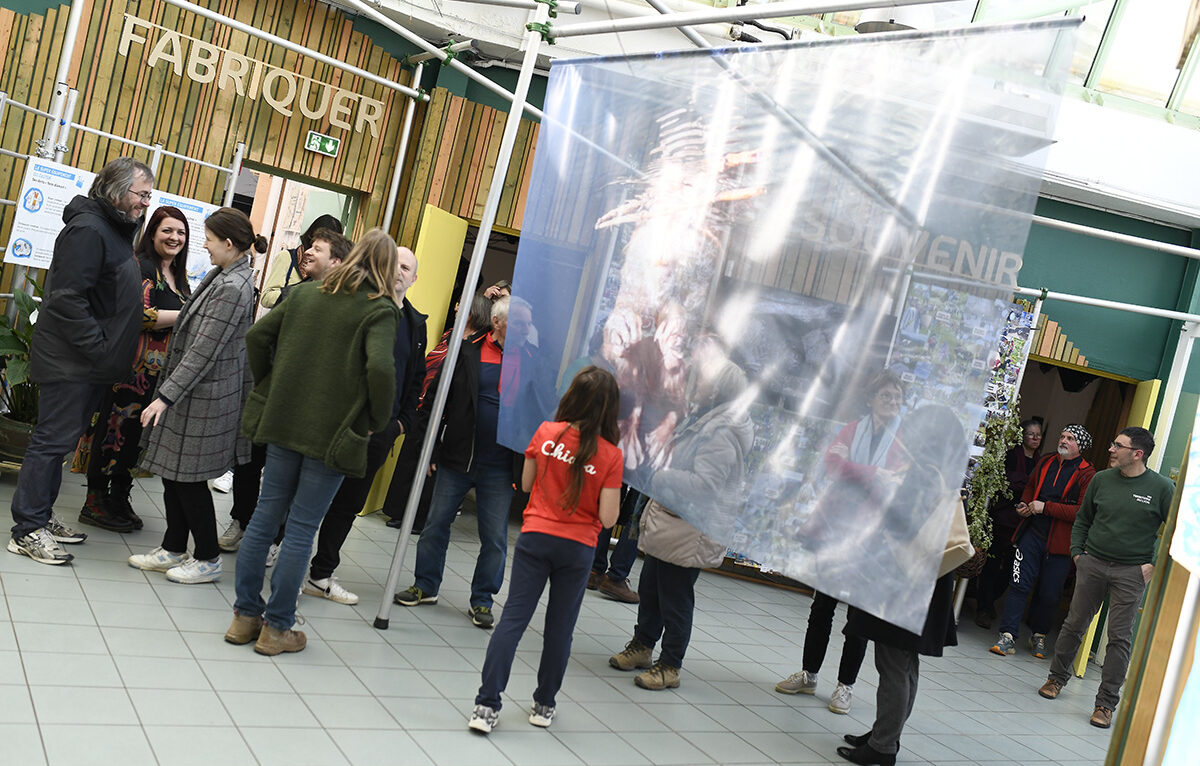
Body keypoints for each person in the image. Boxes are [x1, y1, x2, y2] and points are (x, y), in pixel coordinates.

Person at [226, 228, 400, 655]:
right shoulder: (379, 311)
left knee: (264, 518)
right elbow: (380, 368)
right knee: (302, 528)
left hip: (284, 420)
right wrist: (377, 417)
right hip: (333, 433)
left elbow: (256, 338)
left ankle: (245, 616)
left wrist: (273, 382)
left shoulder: (304, 295)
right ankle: (277, 628)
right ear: (389, 269)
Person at [7, 157, 152, 565]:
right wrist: (101, 347)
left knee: (61, 443)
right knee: (51, 442)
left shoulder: (112, 229)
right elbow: (67, 299)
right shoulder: (89, 230)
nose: (146, 202)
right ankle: (27, 530)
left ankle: (40, 514)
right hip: (73, 361)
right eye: (142, 194)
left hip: (87, 363)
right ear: (117, 191)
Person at [468, 366, 623, 734]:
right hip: (578, 548)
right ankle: (543, 704)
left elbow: (524, 484)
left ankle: (486, 707)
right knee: (559, 630)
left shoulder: (546, 432)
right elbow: (608, 515)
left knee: (513, 621)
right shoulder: (611, 455)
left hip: (536, 537)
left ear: (572, 397)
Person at [131, 208, 261, 583]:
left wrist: (164, 397)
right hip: (192, 393)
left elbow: (204, 350)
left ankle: (207, 557)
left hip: (205, 398)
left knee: (188, 478)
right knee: (173, 474)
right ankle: (173, 547)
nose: (202, 244)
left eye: (208, 238)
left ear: (229, 243)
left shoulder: (234, 287)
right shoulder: (224, 276)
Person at [609, 354, 752, 691]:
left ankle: (670, 665)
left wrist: (661, 476)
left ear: (717, 390)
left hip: (689, 528)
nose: (695, 383)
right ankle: (642, 647)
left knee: (674, 599)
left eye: (702, 380)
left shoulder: (722, 431)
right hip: (672, 522)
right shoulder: (704, 419)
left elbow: (705, 485)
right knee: (650, 589)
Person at [837, 405, 966, 766]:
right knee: (905, 665)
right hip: (923, 583)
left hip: (900, 583)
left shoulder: (922, 474)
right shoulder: (941, 470)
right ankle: (885, 733)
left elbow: (901, 526)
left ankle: (882, 748)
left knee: (893, 665)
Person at [301, 245, 426, 606]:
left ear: (414, 278)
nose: (399, 271)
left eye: (407, 267)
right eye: (395, 264)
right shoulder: (362, 307)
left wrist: (400, 423)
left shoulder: (416, 325)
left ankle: (321, 572)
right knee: (311, 495)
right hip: (339, 424)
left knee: (348, 504)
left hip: (380, 433)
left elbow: (415, 380)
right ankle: (285, 553)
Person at [217, 227, 353, 558]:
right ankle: (242, 521)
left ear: (337, 261)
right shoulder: (295, 294)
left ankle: (275, 539)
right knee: (249, 462)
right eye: (309, 247)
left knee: (289, 480)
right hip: (273, 398)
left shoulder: (352, 308)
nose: (306, 253)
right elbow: (259, 338)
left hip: (309, 411)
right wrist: (267, 380)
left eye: (316, 249)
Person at [777, 371, 907, 714]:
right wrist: (874, 474)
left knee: (859, 619)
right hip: (834, 529)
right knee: (822, 606)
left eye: (897, 397)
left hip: (871, 537)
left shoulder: (902, 441)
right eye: (886, 396)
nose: (893, 402)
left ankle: (845, 686)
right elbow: (833, 465)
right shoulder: (853, 428)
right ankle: (809, 674)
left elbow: (894, 484)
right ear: (871, 399)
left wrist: (861, 472)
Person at [1036, 427, 1173, 729]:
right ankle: (1055, 679)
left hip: (1131, 572)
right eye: (1112, 443)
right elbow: (1083, 518)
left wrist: (1153, 564)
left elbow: (1174, 531)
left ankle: (1105, 704)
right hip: (1092, 563)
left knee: (1119, 638)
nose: (1111, 449)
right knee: (1073, 625)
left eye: (1118, 446)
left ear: (1137, 454)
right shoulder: (1101, 480)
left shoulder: (1161, 487)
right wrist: (1077, 554)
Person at [395, 297, 519, 629]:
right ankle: (425, 585)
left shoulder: (531, 361)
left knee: (494, 538)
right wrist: (431, 449)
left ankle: (482, 601)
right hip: (456, 457)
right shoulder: (466, 351)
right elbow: (437, 400)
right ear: (497, 323)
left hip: (501, 467)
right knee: (435, 524)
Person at [76, 205, 190, 533]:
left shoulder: (179, 278)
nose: (174, 237)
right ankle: (95, 500)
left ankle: (119, 497)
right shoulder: (141, 267)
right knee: (113, 432)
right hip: (129, 369)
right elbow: (137, 314)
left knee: (135, 439)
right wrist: (184, 316)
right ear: (152, 232)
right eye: (167, 230)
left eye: (181, 232)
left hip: (158, 377)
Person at [382, 294, 494, 532]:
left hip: (448, 416)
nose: (456, 308)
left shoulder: (477, 345)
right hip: (424, 407)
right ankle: (400, 512)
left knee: (431, 470)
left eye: (461, 305)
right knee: (410, 461)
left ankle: (419, 519)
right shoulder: (449, 336)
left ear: (473, 312)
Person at [991, 424, 1095, 658]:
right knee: (1019, 584)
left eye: (1070, 438)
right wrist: (1025, 505)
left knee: (1050, 594)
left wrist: (1045, 507)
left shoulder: (1088, 474)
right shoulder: (1046, 461)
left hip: (1060, 544)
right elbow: (1030, 486)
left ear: (1081, 446)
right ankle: (1007, 636)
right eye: (1062, 436)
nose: (1064, 440)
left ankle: (1039, 635)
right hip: (1032, 535)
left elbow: (1081, 511)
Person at [974, 418, 1043, 629]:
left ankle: (989, 600)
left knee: (1012, 568)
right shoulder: (1011, 455)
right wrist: (1025, 484)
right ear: (1022, 435)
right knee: (992, 565)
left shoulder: (1041, 462)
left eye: (1038, 434)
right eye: (1031, 434)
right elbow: (1005, 481)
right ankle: (983, 608)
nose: (1035, 438)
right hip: (1002, 518)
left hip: (1022, 523)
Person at [258, 214, 343, 309]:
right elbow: (266, 297)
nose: (311, 252)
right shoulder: (287, 257)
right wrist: (301, 295)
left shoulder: (333, 269)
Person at [588, 487, 646, 604]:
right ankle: (616, 577)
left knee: (609, 499)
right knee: (638, 514)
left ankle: (594, 570)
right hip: (648, 470)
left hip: (621, 468)